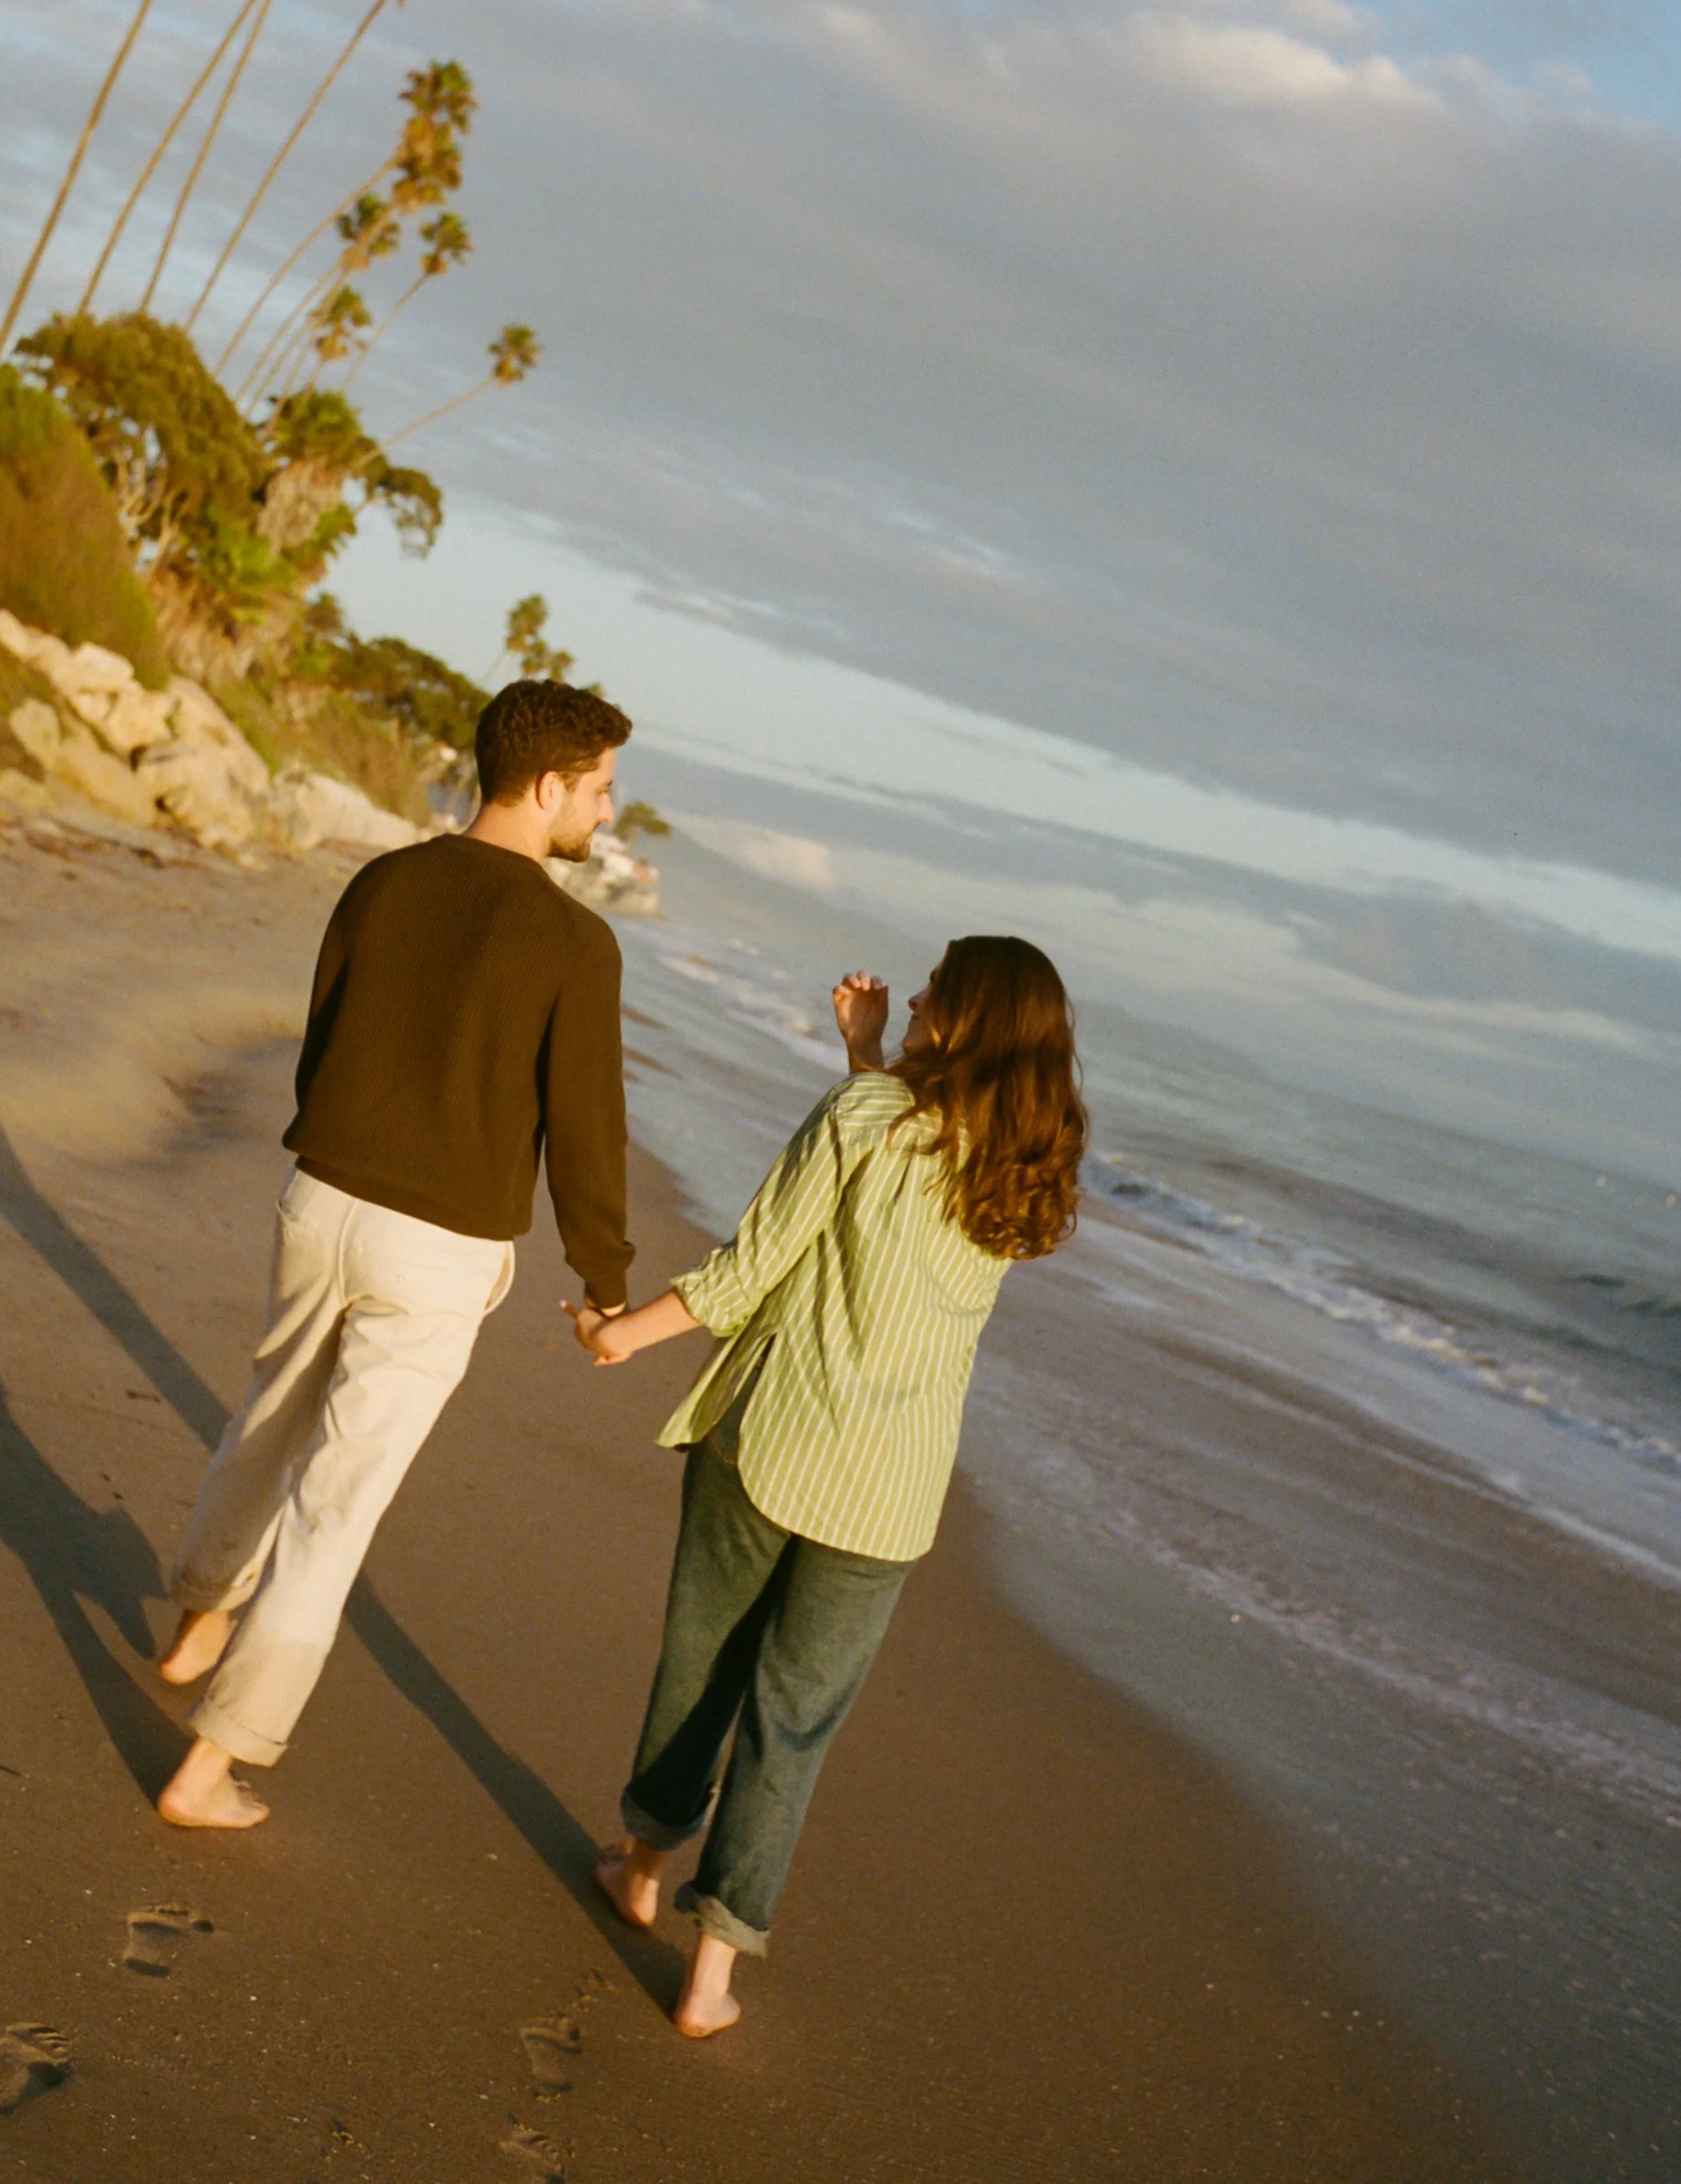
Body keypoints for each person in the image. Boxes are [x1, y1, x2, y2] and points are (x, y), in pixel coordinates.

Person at [571, 935, 1086, 2036]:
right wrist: (867, 1051)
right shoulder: (1019, 1170)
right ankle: (711, 1978)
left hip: (774, 1443)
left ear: (969, 1017)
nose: (919, 992)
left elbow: (750, 1267)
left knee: (704, 1665)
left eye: (939, 986)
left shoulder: (868, 1117)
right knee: (792, 1725)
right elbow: (897, 1189)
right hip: (889, 1496)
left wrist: (620, 1335)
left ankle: (641, 1869)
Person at [154, 678, 636, 1829]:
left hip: (321, 1195)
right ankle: (211, 1764)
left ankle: (197, 1627)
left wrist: (335, 1147)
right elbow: (585, 1129)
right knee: (337, 1508)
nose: (607, 812)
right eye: (601, 789)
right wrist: (606, 1280)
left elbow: (324, 1037)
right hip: (437, 1249)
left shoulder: (385, 878)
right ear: (547, 784)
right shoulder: (577, 941)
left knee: (268, 1416)